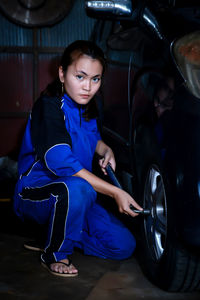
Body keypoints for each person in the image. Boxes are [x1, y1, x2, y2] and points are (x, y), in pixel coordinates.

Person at [13, 40, 142, 277]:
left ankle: (54, 235)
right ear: (62, 73)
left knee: (123, 245)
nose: (88, 87)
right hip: (37, 192)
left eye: (96, 79)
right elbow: (63, 164)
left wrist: (105, 150)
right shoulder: (49, 107)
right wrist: (115, 192)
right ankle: (55, 253)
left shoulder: (87, 107)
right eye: (80, 76)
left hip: (76, 195)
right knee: (79, 189)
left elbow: (91, 138)